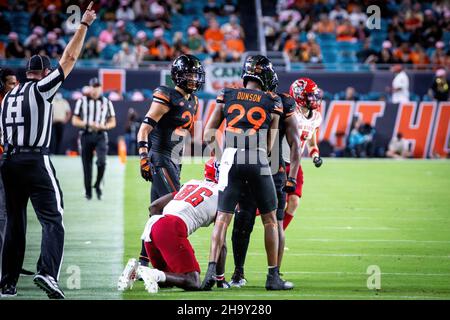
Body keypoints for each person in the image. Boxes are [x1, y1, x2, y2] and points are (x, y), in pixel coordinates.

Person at [0, 2, 97, 299]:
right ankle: (47, 272)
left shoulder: (7, 97)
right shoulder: (42, 88)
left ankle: (7, 282)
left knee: (16, 223)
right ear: (42, 73)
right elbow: (68, 58)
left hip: (9, 160)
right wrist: (84, 25)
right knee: (53, 219)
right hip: (34, 159)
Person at [201, 55, 292, 291]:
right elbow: (272, 141)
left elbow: (208, 132)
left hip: (231, 157)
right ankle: (273, 277)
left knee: (222, 218)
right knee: (271, 220)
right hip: (258, 157)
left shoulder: (227, 94)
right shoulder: (272, 99)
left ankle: (212, 270)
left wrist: (222, 158)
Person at [229, 72, 301, 287]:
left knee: (274, 222)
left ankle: (273, 274)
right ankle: (239, 273)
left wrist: (293, 176)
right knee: (244, 221)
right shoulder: (268, 100)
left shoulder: (283, 102)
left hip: (271, 169)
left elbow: (295, 141)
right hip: (255, 166)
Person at [118, 159, 227, 293]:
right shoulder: (224, 196)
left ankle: (138, 272)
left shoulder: (191, 183)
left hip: (152, 228)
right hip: (171, 226)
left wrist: (159, 233)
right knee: (193, 281)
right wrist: (220, 279)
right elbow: (220, 241)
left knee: (166, 280)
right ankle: (147, 271)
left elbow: (154, 207)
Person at [136, 54, 204, 268]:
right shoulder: (167, 95)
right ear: (177, 76)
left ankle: (144, 261)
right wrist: (143, 157)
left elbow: (187, 133)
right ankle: (174, 259)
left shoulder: (194, 100)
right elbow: (144, 128)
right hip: (161, 157)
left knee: (158, 211)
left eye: (195, 75)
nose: (193, 79)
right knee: (176, 205)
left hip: (175, 159)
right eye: (189, 75)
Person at [282, 78, 324, 231]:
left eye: (314, 95)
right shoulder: (289, 111)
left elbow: (312, 143)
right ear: (299, 96)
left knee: (294, 202)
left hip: (295, 164)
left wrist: (315, 156)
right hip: (279, 160)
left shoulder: (316, 117)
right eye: (310, 96)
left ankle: (279, 234)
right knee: (268, 205)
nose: (314, 99)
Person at [72, 77, 116, 200]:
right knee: (87, 165)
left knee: (102, 161)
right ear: (90, 87)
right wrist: (87, 124)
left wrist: (105, 126)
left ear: (101, 88)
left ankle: (97, 184)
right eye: (93, 87)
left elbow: (113, 121)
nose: (95, 90)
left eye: (97, 87)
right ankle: (88, 192)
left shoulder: (107, 102)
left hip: (101, 135)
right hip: (86, 134)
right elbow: (74, 120)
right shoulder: (82, 101)